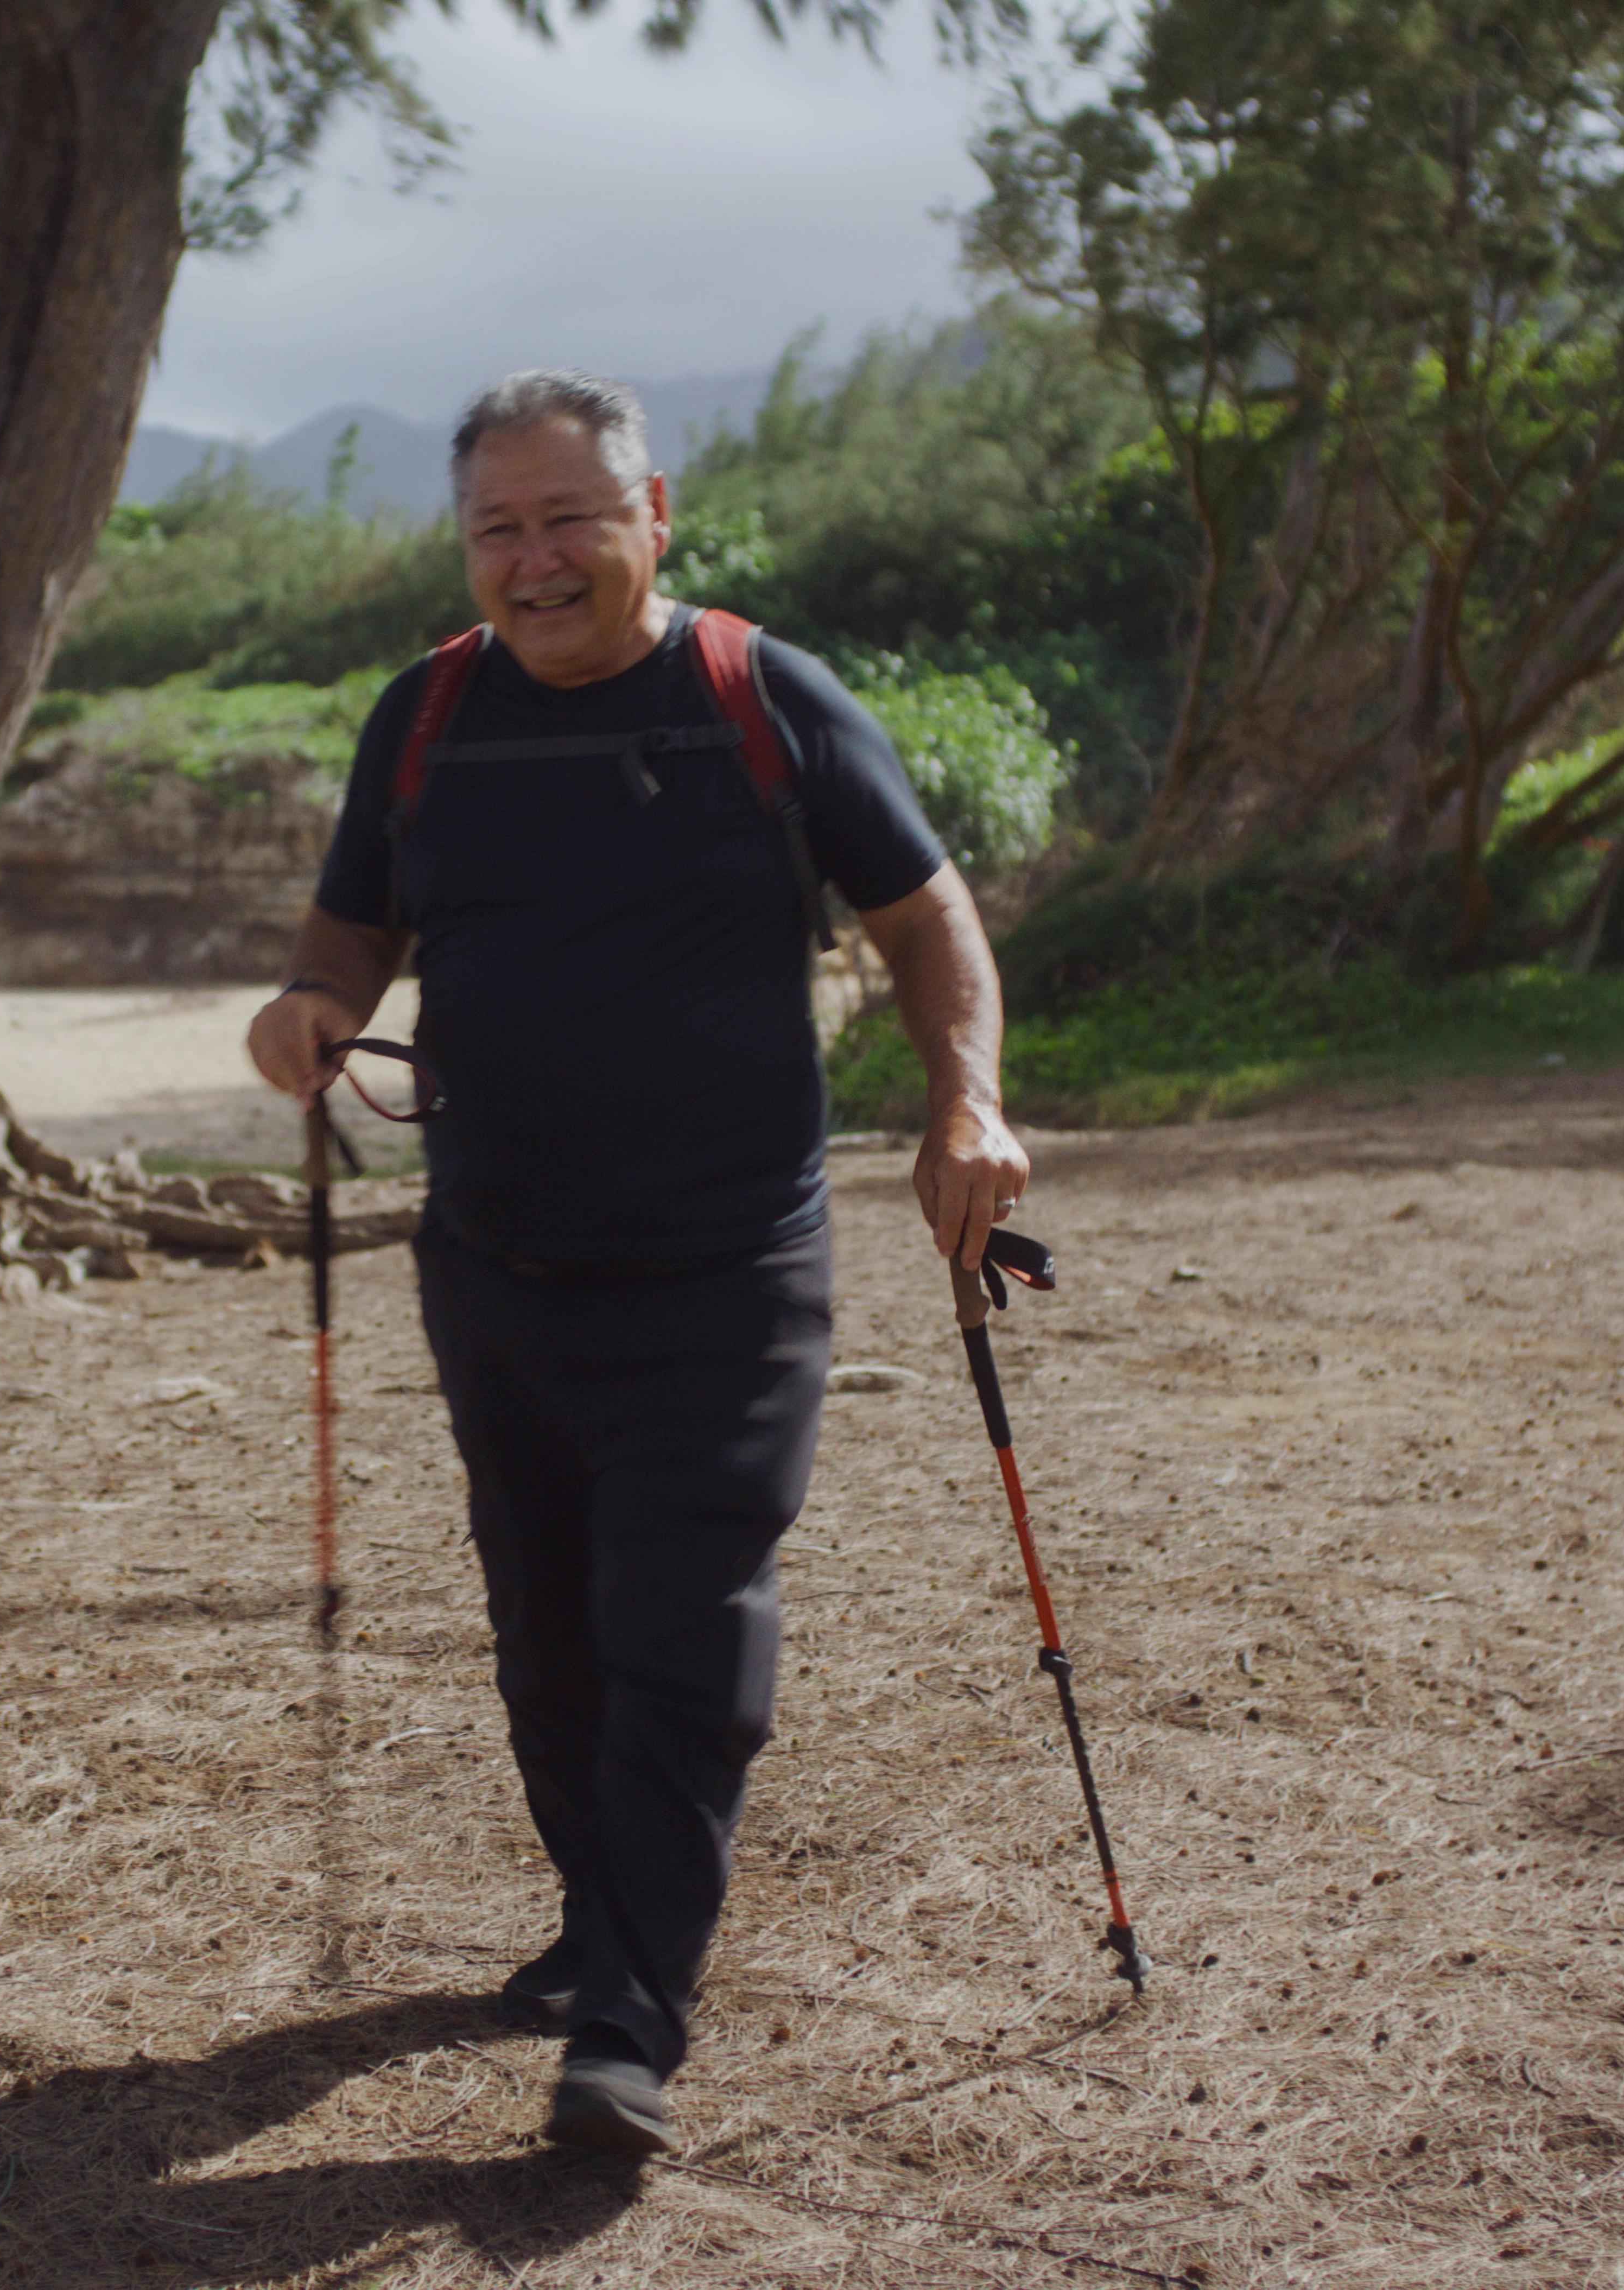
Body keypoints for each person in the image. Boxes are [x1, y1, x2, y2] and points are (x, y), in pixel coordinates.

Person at [244, 369, 1029, 2158]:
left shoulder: (768, 699)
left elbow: (926, 914)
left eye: (569, 518)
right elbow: (357, 913)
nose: (534, 560)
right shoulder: (428, 715)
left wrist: (965, 1101)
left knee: (684, 1625)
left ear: (651, 512)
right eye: (498, 530)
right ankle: (609, 1911)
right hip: (496, 1263)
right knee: (549, 1634)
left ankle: (626, 2025)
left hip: (728, 1270)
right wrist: (315, 1006)